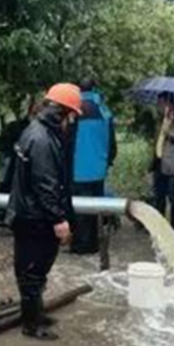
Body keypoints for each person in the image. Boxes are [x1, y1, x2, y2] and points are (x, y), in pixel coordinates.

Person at [7, 83, 81, 340]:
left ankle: (35, 313)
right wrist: (58, 219)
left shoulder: (39, 132)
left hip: (31, 214)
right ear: (62, 112)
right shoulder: (41, 139)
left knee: (36, 271)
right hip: (33, 218)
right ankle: (32, 325)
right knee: (32, 273)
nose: (72, 122)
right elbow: (45, 184)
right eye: (72, 115)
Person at [70, 79, 117, 254]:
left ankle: (81, 245)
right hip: (99, 168)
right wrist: (107, 161)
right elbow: (112, 142)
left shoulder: (75, 109)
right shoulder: (104, 110)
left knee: (79, 208)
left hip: (78, 168)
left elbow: (68, 139)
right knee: (95, 207)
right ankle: (94, 244)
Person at [153, 93, 174, 230]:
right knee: (159, 196)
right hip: (159, 161)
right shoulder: (160, 118)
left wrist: (169, 132)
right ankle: (160, 224)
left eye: (161, 103)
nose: (159, 106)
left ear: (169, 103)